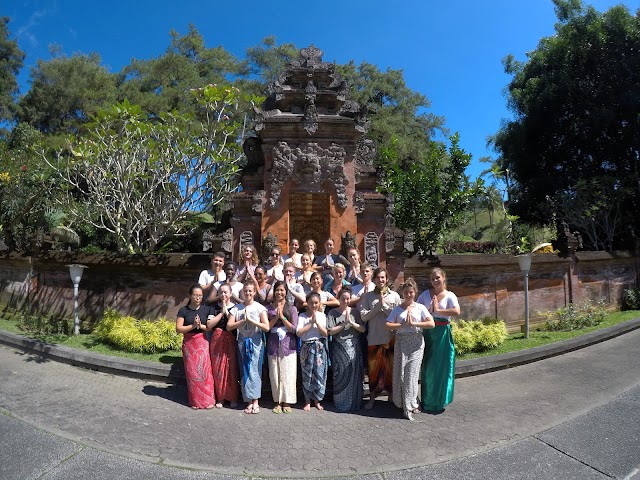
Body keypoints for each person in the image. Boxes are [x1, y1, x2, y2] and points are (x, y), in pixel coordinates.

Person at [385, 278, 434, 420]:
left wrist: (415, 323)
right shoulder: (398, 309)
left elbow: (431, 324)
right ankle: (402, 403)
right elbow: (387, 325)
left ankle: (410, 405)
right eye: (406, 292)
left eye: (411, 292)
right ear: (402, 293)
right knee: (401, 374)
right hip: (401, 342)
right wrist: (402, 325)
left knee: (411, 375)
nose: (409, 295)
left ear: (415, 293)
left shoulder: (420, 308)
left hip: (416, 343)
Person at [417, 267, 460, 414]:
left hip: (442, 334)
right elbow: (416, 309)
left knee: (440, 368)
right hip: (428, 333)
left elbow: (456, 311)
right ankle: (427, 402)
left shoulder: (450, 295)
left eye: (437, 278)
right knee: (427, 368)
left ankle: (439, 401)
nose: (435, 281)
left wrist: (438, 310)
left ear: (443, 278)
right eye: (433, 278)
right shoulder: (424, 295)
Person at [359, 267, 401, 410]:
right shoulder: (368, 297)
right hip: (374, 337)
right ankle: (372, 398)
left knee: (390, 370)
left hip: (390, 338)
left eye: (383, 277)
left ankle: (391, 396)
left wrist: (385, 306)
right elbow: (364, 316)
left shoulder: (394, 296)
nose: (381, 280)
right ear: (374, 280)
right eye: (378, 278)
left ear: (387, 279)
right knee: (373, 371)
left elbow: (398, 317)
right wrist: (377, 308)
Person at [227, 281, 269, 414]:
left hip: (256, 343)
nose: (248, 293)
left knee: (255, 371)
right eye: (245, 291)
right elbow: (229, 326)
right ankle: (248, 400)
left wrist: (252, 321)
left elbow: (266, 327)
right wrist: (241, 321)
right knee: (245, 370)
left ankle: (256, 400)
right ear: (242, 293)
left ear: (254, 292)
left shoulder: (259, 308)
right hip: (242, 342)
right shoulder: (236, 308)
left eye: (250, 291)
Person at [175, 285, 215, 410]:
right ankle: (195, 401)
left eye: (200, 295)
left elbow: (209, 328)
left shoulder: (206, 309)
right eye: (195, 295)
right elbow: (179, 329)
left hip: (202, 342)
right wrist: (193, 326)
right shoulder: (183, 310)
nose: (198, 298)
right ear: (190, 295)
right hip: (189, 344)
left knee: (205, 372)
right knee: (192, 373)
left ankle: (208, 400)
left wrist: (200, 326)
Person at [327, 287, 365, 412]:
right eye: (343, 298)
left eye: (348, 298)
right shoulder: (333, 313)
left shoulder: (355, 312)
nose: (346, 301)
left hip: (353, 346)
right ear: (339, 299)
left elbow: (363, 329)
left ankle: (354, 403)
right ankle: (341, 403)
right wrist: (343, 325)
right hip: (339, 347)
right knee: (341, 376)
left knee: (354, 376)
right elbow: (330, 331)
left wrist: (351, 323)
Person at [267, 281, 299, 414]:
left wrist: (282, 318)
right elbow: (267, 327)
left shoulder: (292, 308)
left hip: (288, 344)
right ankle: (277, 401)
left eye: (282, 290)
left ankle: (287, 401)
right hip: (273, 343)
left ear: (286, 292)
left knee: (288, 373)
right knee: (275, 372)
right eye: (277, 290)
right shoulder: (268, 308)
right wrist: (276, 317)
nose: (280, 293)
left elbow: (294, 328)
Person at [206, 283, 239, 409]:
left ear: (231, 293)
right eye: (221, 292)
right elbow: (209, 325)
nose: (223, 295)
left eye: (226, 292)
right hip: (217, 340)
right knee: (218, 368)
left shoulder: (236, 308)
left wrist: (228, 311)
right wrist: (221, 312)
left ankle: (232, 397)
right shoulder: (213, 308)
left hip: (231, 339)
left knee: (231, 369)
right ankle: (220, 397)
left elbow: (235, 325)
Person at [296, 291, 329, 411]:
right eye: (311, 303)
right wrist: (310, 324)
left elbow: (326, 333)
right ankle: (307, 401)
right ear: (307, 303)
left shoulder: (322, 315)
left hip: (319, 347)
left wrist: (317, 324)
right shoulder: (302, 316)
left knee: (319, 374)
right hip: (307, 347)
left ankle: (317, 400)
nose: (313, 305)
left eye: (316, 303)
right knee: (307, 374)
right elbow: (299, 333)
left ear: (319, 303)